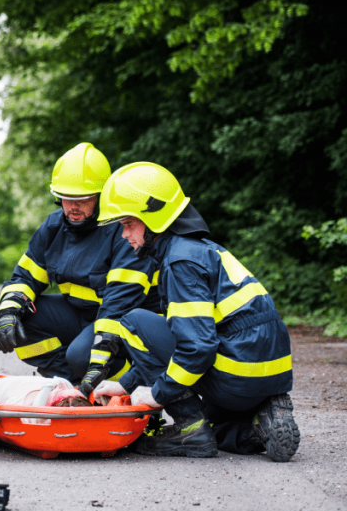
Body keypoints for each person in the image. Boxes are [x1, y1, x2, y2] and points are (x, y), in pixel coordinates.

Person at [92, 162, 299, 461]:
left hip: (236, 371)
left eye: (127, 224)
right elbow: (178, 337)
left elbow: (196, 347)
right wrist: (125, 384)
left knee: (132, 322)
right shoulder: (199, 249)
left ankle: (190, 431)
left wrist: (157, 393)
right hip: (271, 371)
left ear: (154, 219)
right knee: (217, 427)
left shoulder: (179, 262)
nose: (124, 235)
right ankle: (259, 421)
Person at [0, 143, 159, 392]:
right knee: (22, 321)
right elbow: (24, 277)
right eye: (66, 198)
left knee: (84, 357)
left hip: (124, 322)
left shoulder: (123, 229)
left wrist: (100, 352)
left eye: (82, 199)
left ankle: (138, 385)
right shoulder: (53, 226)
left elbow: (121, 300)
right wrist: (8, 312)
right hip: (80, 315)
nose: (72, 206)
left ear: (102, 196)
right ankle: (72, 385)